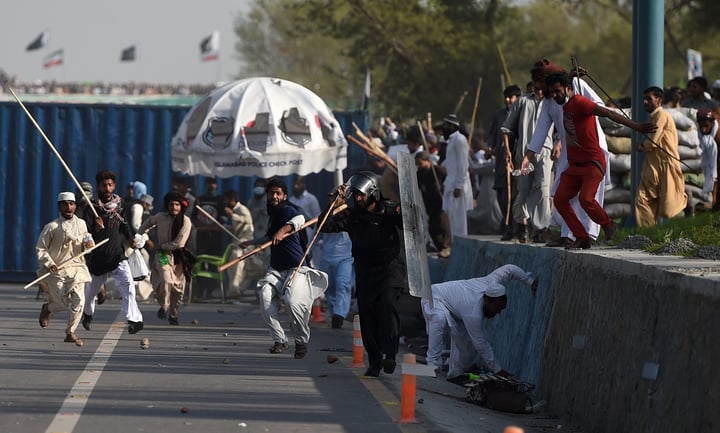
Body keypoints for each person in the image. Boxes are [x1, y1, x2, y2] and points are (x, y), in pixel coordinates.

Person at [520, 72, 656, 249]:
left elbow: (607, 113)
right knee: (560, 199)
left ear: (568, 88)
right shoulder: (555, 105)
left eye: (557, 91)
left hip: (593, 163)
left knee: (586, 199)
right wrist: (528, 156)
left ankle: (608, 224)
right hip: (574, 165)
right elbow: (541, 131)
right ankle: (581, 237)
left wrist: (637, 127)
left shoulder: (580, 102)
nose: (554, 95)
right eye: (551, 92)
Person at [320, 171, 405, 377]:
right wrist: (334, 202)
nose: (358, 199)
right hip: (364, 270)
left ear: (373, 193)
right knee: (367, 314)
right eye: (355, 195)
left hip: (389, 268)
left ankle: (390, 354)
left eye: (362, 195)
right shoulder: (352, 215)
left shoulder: (390, 210)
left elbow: (411, 224)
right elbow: (325, 226)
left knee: (387, 304)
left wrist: (407, 211)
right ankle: (374, 362)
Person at [242, 177, 325, 359]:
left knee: (292, 302)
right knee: (264, 297)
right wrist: (252, 243)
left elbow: (300, 218)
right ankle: (280, 339)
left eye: (278, 193)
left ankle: (301, 340)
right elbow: (269, 237)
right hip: (277, 269)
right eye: (271, 193)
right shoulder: (273, 216)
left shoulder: (288, 210)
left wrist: (282, 231)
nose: (274, 196)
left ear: (284, 196)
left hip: (296, 268)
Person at [421, 264, 537, 381]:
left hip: (456, 309)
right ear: (486, 300)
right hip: (433, 296)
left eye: (501, 309)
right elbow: (481, 344)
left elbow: (510, 269)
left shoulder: (493, 281)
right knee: (439, 318)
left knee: (467, 343)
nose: (498, 312)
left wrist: (530, 281)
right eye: (497, 308)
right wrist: (498, 370)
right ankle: (432, 366)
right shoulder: (473, 312)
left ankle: (456, 374)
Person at [81, 170, 145, 334]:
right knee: (91, 293)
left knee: (128, 286)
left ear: (114, 185)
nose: (107, 188)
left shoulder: (120, 203)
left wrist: (131, 238)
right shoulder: (92, 207)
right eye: (104, 185)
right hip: (99, 257)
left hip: (117, 255)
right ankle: (87, 314)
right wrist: (95, 228)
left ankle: (134, 320)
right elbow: (85, 232)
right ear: (98, 187)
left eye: (110, 185)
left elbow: (124, 225)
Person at [502, 73, 555, 244]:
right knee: (524, 190)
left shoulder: (552, 102)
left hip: (545, 152)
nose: (539, 91)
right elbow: (506, 128)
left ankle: (541, 228)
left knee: (543, 189)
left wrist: (560, 143)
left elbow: (562, 126)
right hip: (524, 153)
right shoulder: (522, 102)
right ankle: (522, 223)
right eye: (537, 87)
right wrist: (508, 152)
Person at [36, 192, 94, 347]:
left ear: (75, 205)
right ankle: (48, 309)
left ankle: (70, 332)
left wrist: (89, 244)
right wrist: (49, 263)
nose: (69, 207)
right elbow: (41, 249)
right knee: (61, 304)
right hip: (57, 271)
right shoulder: (52, 227)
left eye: (71, 203)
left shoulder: (81, 224)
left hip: (77, 268)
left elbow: (87, 241)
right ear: (59, 207)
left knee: (80, 301)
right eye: (65, 204)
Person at [635, 86, 688, 227]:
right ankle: (646, 234)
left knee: (668, 208)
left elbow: (653, 141)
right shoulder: (653, 117)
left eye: (648, 99)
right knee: (643, 199)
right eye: (644, 99)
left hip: (666, 164)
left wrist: (641, 146)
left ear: (659, 100)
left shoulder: (662, 116)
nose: (645, 102)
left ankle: (686, 209)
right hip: (653, 165)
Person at [139, 191, 193, 325]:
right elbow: (147, 223)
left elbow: (179, 243)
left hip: (180, 257)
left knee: (178, 288)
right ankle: (164, 306)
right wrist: (141, 237)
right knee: (166, 279)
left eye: (177, 205)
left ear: (181, 206)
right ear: (167, 206)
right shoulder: (160, 217)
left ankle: (173, 314)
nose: (174, 207)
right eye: (171, 204)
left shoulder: (186, 221)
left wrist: (161, 245)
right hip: (163, 255)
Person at [486, 85, 522, 241]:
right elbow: (492, 135)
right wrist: (490, 149)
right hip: (501, 161)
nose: (508, 100)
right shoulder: (499, 115)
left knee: (515, 196)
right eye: (506, 97)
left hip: (517, 161)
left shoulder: (521, 114)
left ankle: (517, 228)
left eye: (511, 97)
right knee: (501, 195)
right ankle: (508, 227)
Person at [440, 114, 473, 238]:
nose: (444, 128)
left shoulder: (460, 140)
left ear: (452, 126)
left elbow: (463, 164)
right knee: (451, 219)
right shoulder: (452, 141)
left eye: (445, 125)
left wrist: (458, 186)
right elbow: (450, 162)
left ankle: (459, 244)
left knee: (458, 221)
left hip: (456, 186)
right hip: (450, 183)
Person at [415, 151, 452, 258]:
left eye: (420, 163)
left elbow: (449, 180)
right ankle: (440, 247)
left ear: (427, 161)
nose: (418, 166)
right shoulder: (420, 174)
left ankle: (447, 247)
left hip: (440, 203)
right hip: (429, 205)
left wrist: (444, 188)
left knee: (443, 225)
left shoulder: (437, 171)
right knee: (432, 229)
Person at [315, 231, 354, 329]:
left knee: (343, 285)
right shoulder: (325, 218)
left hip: (345, 258)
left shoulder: (349, 216)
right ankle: (334, 312)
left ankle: (339, 314)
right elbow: (315, 235)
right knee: (329, 287)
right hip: (326, 259)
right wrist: (307, 251)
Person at [222, 189, 254, 297]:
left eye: (226, 200)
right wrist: (224, 226)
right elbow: (237, 229)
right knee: (235, 269)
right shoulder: (236, 211)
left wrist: (232, 215)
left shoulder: (242, 209)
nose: (225, 202)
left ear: (232, 200)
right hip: (237, 242)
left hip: (245, 243)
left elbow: (247, 221)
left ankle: (236, 290)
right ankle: (235, 291)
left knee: (239, 268)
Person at [697, 108, 719, 207]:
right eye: (701, 126)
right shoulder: (699, 135)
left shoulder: (718, 134)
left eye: (706, 126)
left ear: (713, 123)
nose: (703, 129)